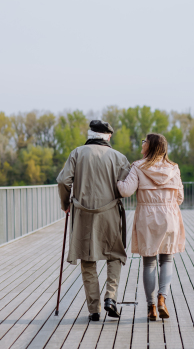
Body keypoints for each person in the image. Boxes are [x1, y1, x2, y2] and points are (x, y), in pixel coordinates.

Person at [57, 120, 131, 321]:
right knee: (114, 254)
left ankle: (94, 309)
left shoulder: (77, 153)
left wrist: (66, 204)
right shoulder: (118, 157)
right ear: (108, 136)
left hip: (83, 214)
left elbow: (64, 181)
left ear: (90, 134)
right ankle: (110, 297)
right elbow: (126, 187)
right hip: (109, 213)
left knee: (87, 258)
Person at [117, 133, 185, 321]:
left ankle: (151, 307)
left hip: (147, 217)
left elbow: (125, 191)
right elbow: (180, 198)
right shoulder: (174, 168)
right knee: (167, 260)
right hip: (169, 216)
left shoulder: (138, 167)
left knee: (149, 263)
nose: (142, 144)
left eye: (144, 141)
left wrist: (116, 181)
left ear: (151, 146)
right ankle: (162, 299)